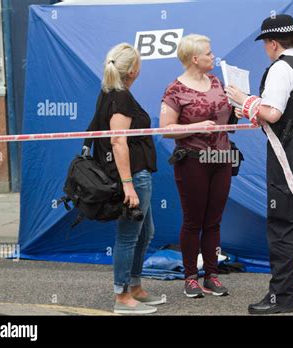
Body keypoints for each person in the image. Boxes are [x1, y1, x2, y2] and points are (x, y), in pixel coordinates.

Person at [226, 14, 293, 314]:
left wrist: (243, 100)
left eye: (265, 45)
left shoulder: (282, 68)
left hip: (291, 153)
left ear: (272, 44)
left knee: (283, 223)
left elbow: (272, 113)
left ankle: (279, 299)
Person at [92, 43, 164, 314]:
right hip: (133, 176)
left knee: (146, 232)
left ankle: (135, 287)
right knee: (128, 236)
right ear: (133, 70)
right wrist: (128, 185)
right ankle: (122, 296)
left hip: (138, 174)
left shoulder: (112, 94)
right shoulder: (119, 98)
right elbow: (118, 141)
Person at [160, 34, 232, 298]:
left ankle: (212, 275)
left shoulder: (216, 82)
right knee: (193, 221)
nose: (213, 57)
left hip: (222, 159)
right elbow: (165, 130)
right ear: (194, 58)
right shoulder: (175, 90)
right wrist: (195, 127)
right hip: (192, 160)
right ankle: (191, 277)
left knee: (214, 221)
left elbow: (228, 114)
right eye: (209, 53)